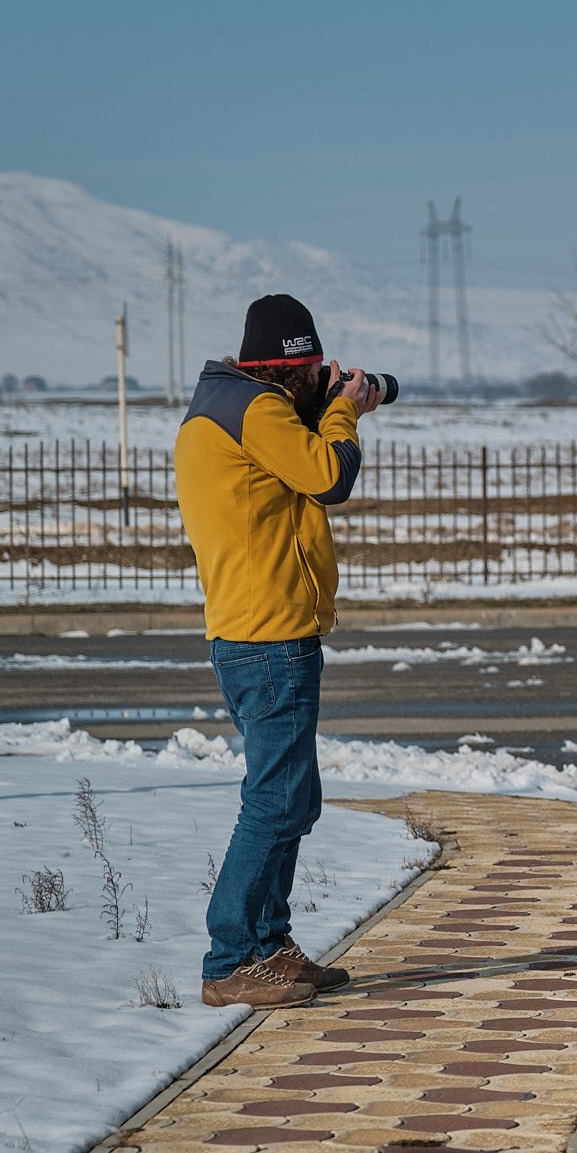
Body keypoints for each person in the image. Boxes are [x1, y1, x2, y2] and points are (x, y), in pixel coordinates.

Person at [176, 294, 381, 1008]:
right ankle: (230, 956)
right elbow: (331, 476)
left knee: (295, 795)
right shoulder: (257, 412)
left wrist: (324, 404)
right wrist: (345, 408)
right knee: (273, 798)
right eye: (313, 369)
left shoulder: (222, 411)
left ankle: (269, 944)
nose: (320, 378)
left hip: (251, 630)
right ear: (288, 369)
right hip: (269, 635)